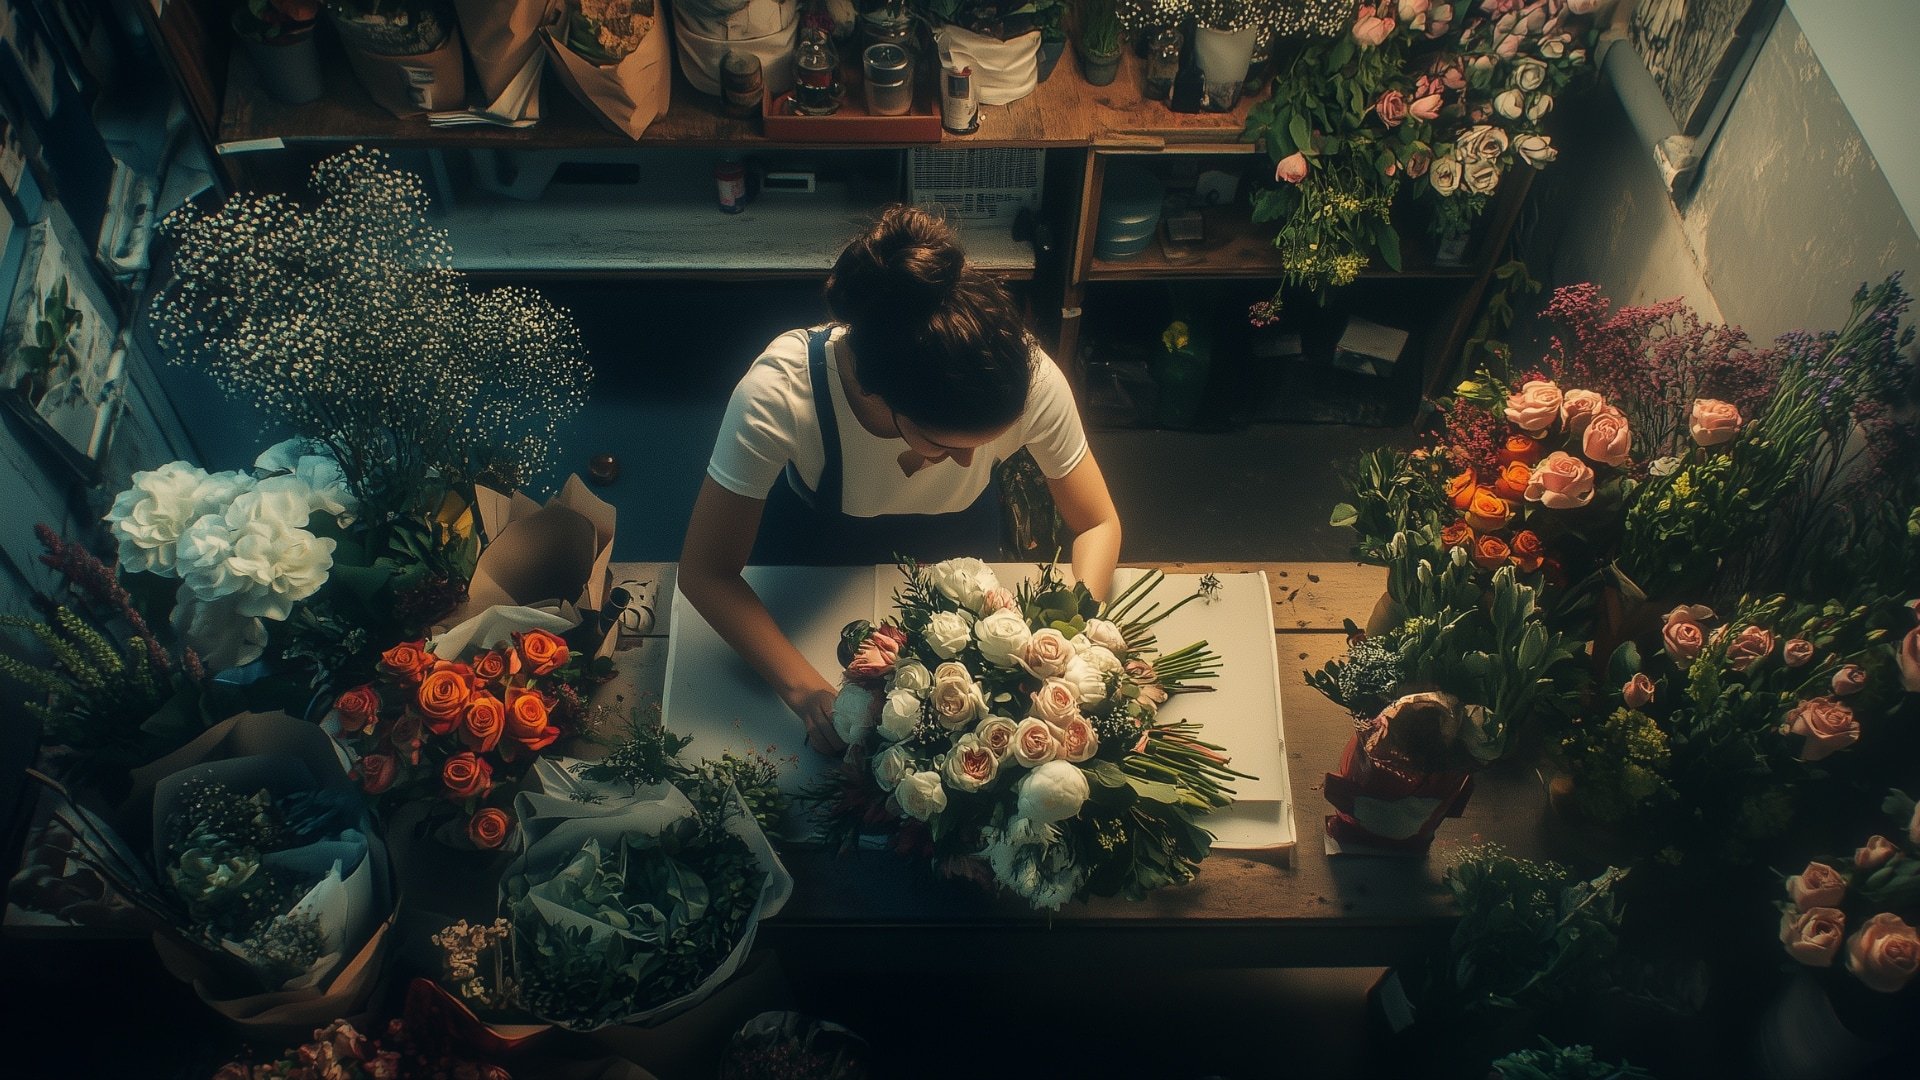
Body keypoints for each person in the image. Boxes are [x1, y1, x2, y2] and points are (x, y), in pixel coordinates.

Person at [679, 206, 1123, 757]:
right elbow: (704, 571)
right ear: (879, 395)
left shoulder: (1029, 379)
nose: (970, 466)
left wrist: (1074, 639)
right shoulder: (782, 393)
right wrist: (806, 692)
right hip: (820, 549)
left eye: (987, 444)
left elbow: (1098, 521)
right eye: (945, 445)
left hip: (962, 547)